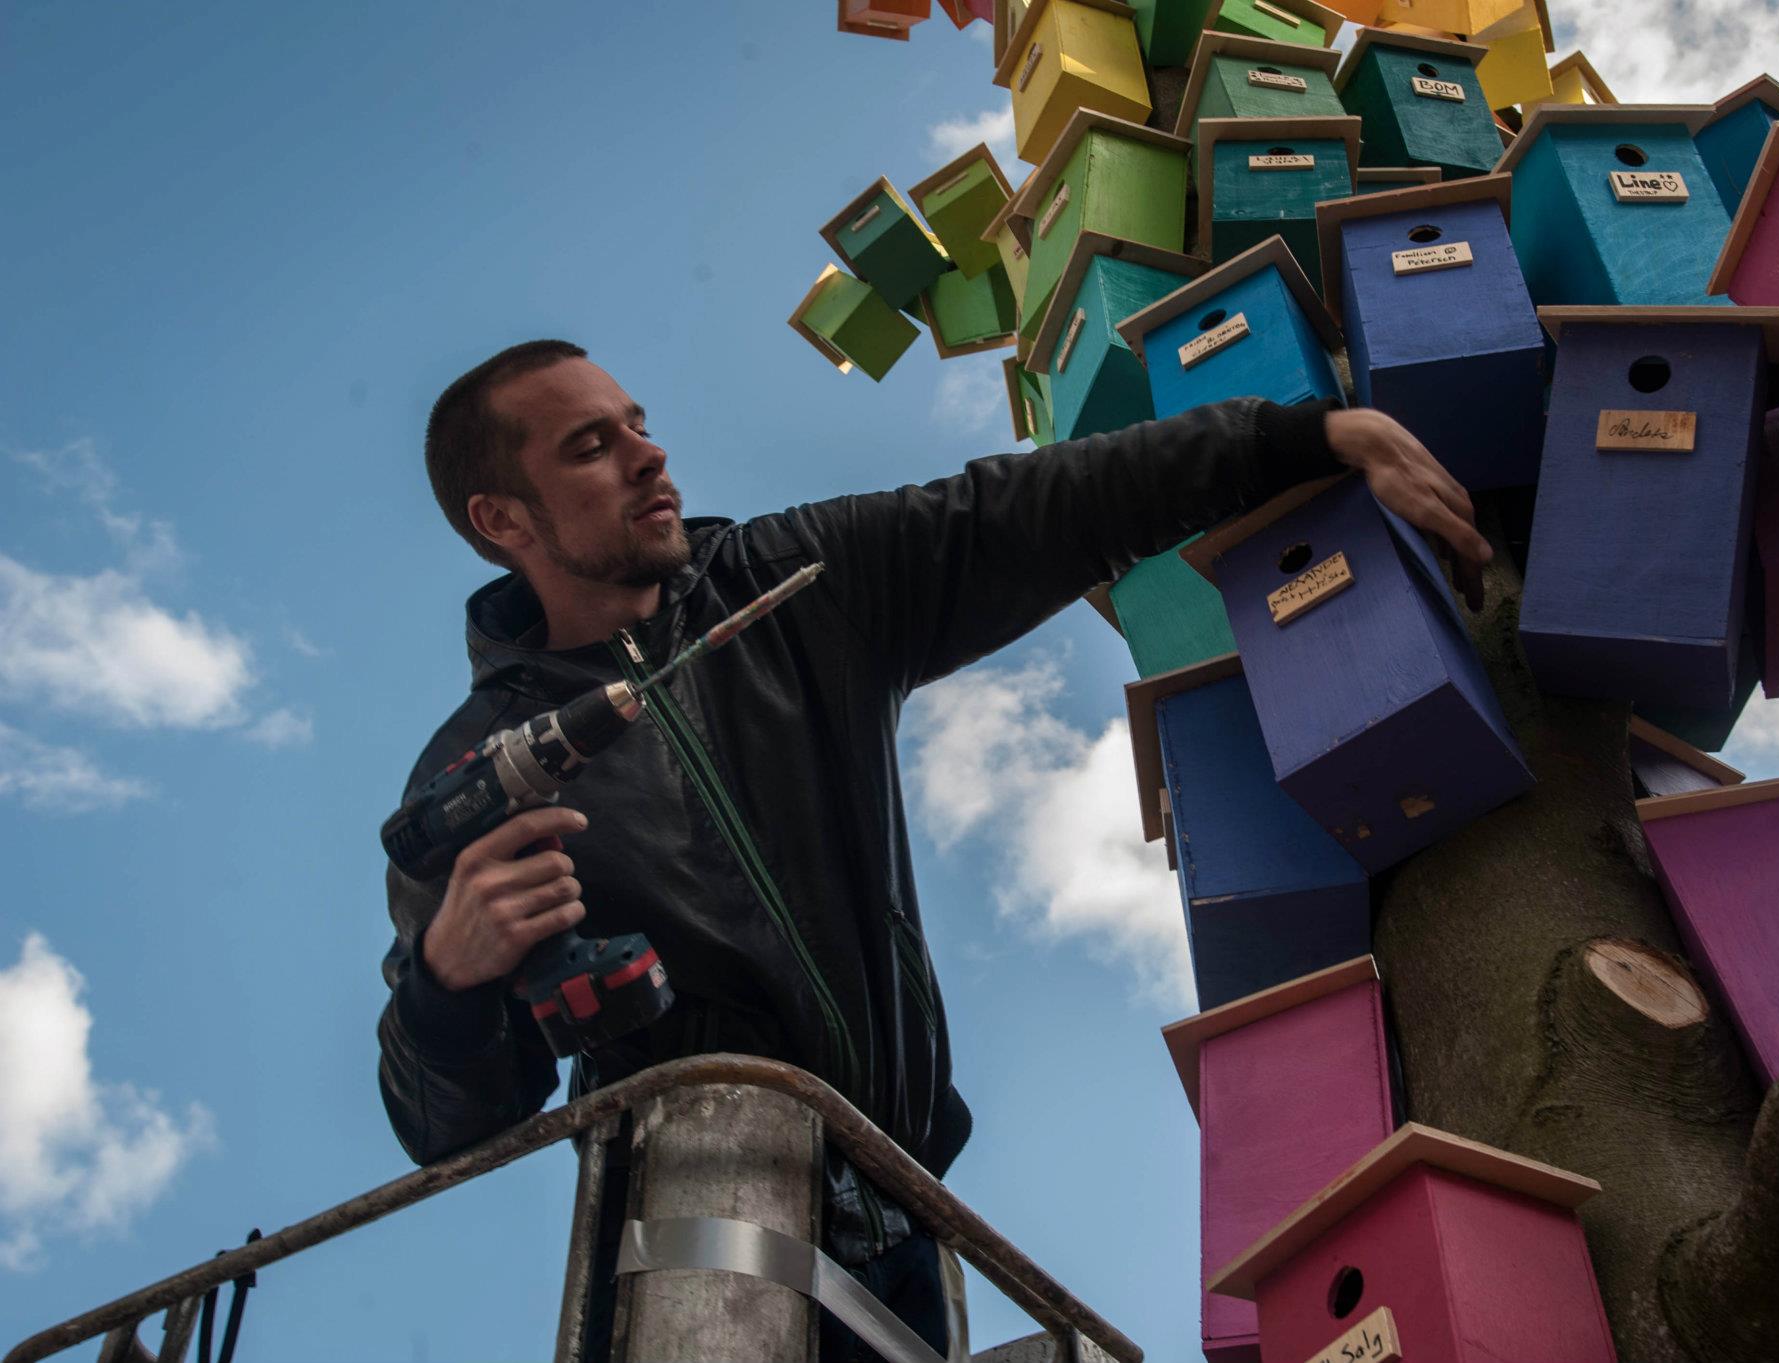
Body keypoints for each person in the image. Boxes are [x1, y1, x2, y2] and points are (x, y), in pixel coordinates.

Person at [376, 339, 1488, 1361]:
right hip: (682, 1242)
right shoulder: (471, 778)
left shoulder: (790, 589)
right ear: (503, 520)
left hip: (904, 1206)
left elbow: (1023, 507)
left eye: (635, 422)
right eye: (590, 446)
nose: (648, 454)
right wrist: (446, 981)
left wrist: (1297, 437)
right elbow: (444, 1123)